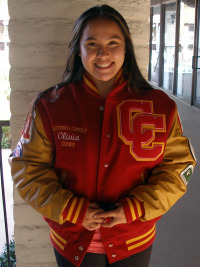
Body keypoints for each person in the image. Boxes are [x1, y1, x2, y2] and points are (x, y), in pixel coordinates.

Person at [9, 4, 196, 267]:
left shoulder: (161, 107)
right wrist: (72, 209)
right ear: (79, 49)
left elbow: (180, 168)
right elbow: (27, 168)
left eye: (113, 43)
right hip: (71, 238)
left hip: (134, 238)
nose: (103, 54)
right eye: (92, 43)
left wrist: (136, 208)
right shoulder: (50, 105)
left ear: (126, 48)